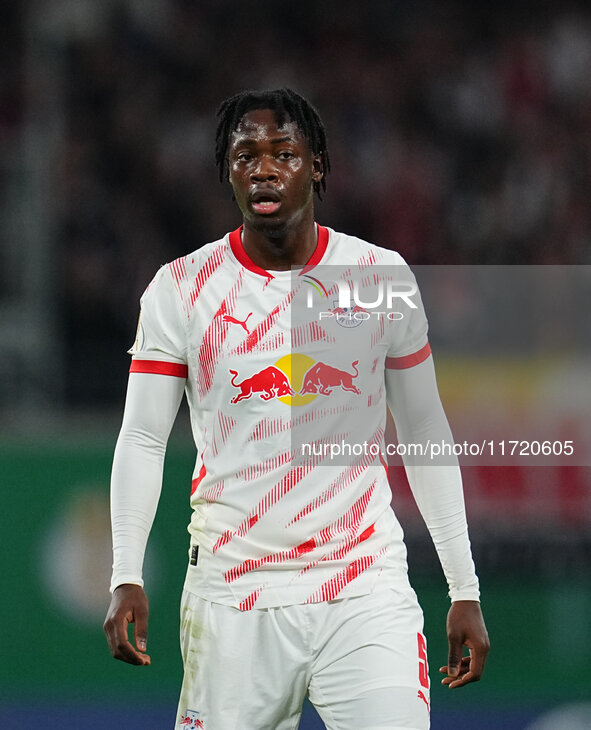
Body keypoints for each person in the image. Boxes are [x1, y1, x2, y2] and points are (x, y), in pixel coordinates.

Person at [104, 87, 489, 730]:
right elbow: (143, 438)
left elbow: (424, 429)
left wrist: (464, 586)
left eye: (284, 152)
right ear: (226, 171)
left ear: (316, 165)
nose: (263, 167)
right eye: (245, 154)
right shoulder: (180, 291)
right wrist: (124, 572)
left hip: (363, 584)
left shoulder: (378, 279)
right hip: (232, 595)